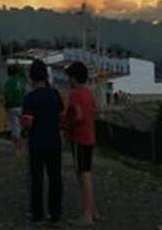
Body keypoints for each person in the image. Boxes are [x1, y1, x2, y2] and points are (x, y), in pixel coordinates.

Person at [21, 60, 64, 225]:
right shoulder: (54, 94)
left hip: (37, 142)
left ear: (31, 76)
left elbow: (28, 122)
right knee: (55, 177)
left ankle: (37, 213)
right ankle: (55, 213)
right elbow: (61, 117)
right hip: (54, 141)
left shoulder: (30, 98)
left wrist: (24, 127)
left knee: (37, 178)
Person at [65, 61, 99, 226]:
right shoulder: (89, 93)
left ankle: (87, 214)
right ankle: (92, 210)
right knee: (87, 174)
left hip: (79, 138)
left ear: (73, 78)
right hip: (90, 137)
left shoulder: (75, 94)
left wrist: (67, 125)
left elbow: (78, 116)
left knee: (83, 175)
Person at [3, 63, 27, 160]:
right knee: (21, 129)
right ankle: (20, 150)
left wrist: (6, 105)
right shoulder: (22, 80)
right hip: (23, 106)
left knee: (15, 129)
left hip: (12, 107)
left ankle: (16, 151)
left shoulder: (8, 82)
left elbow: (7, 96)